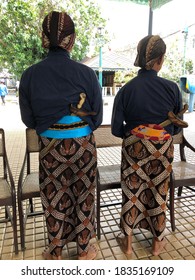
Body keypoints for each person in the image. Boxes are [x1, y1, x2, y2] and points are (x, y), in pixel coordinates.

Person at [19, 11, 103, 260]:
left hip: (50, 147)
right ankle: (84, 250)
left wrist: (51, 126)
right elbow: (96, 118)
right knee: (84, 194)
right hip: (83, 145)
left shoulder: (30, 75)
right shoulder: (86, 74)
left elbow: (28, 120)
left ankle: (55, 250)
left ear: (43, 38)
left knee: (54, 196)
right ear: (71, 40)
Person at [111, 35, 183, 256]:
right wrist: (157, 134)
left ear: (139, 58)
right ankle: (157, 242)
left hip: (133, 147)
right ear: (160, 60)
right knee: (160, 191)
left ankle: (128, 242)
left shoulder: (126, 90)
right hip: (162, 148)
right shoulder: (172, 89)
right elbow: (177, 128)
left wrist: (136, 135)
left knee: (132, 191)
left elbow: (116, 129)